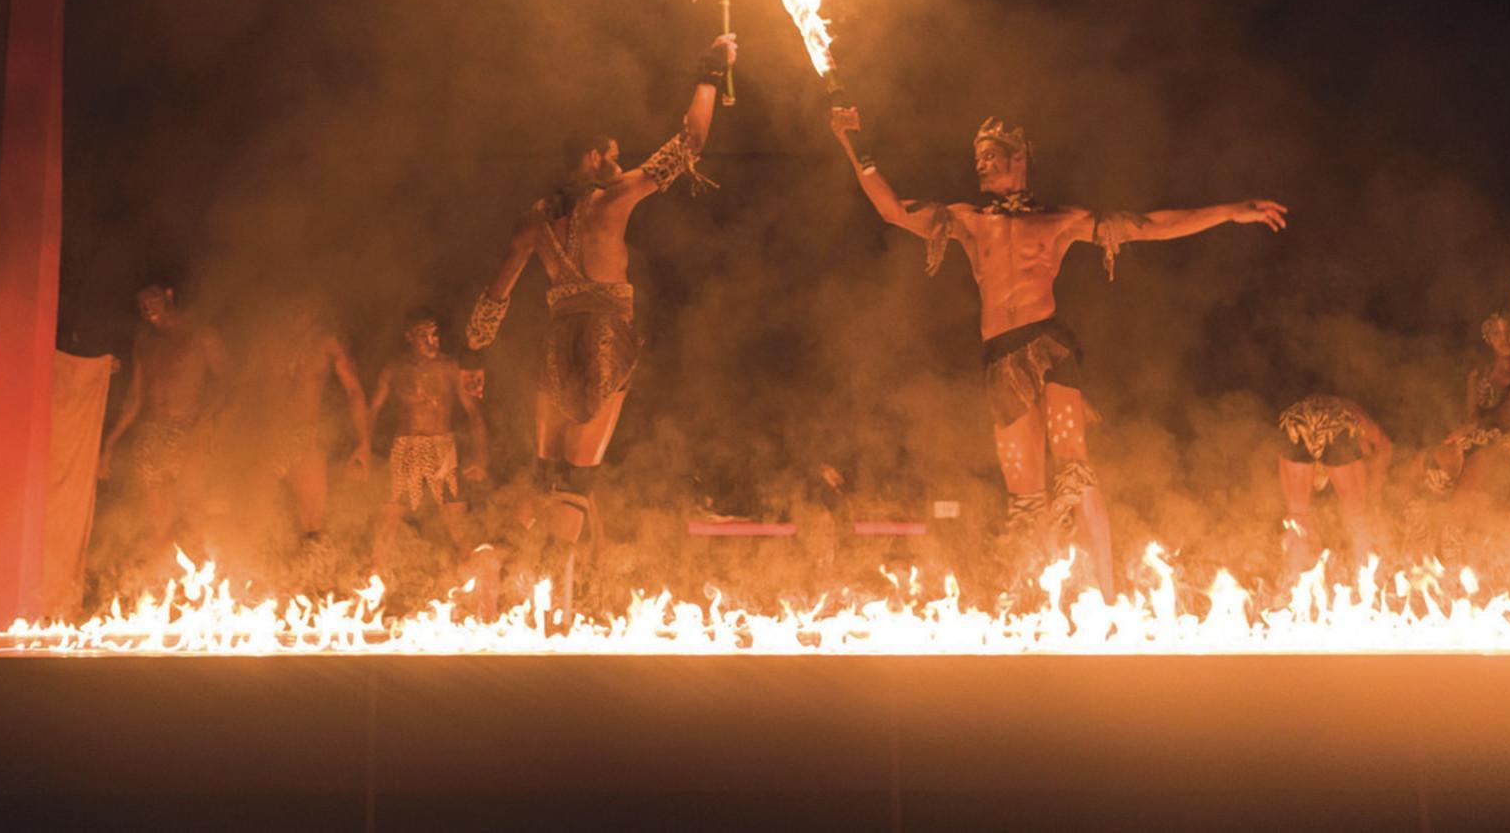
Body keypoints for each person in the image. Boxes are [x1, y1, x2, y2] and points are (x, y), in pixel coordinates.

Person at [829, 108, 1286, 595]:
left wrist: (1228, 211)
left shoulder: (1058, 221)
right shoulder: (968, 221)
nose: (980, 166)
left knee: (1074, 467)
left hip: (1047, 344)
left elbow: (1146, 225)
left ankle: (1109, 594)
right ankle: (1041, 601)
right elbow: (893, 210)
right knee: (1025, 500)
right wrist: (852, 143)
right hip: (1000, 359)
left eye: (989, 157)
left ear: (1018, 159)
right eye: (976, 158)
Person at [461, 33, 737, 605]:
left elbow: (495, 297)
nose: (618, 160)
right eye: (610, 152)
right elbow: (689, 144)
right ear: (592, 157)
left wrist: (473, 356)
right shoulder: (614, 198)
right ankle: (557, 600)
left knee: (546, 477)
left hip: (558, 341)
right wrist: (710, 72)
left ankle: (505, 556)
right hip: (607, 339)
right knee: (579, 480)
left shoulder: (534, 220)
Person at [97, 283, 228, 547]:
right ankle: (163, 574)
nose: (147, 306)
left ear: (168, 295)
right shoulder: (144, 341)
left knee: (192, 507)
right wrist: (109, 443)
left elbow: (227, 384)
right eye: (142, 302)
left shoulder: (201, 334)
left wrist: (207, 421)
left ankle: (201, 568)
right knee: (157, 517)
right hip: (151, 432)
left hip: (187, 430)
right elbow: (135, 397)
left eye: (152, 298)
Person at [364, 311, 490, 574]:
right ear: (409, 338)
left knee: (457, 521)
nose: (432, 341)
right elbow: (372, 409)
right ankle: (372, 582)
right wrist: (363, 448)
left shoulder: (451, 367)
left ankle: (475, 580)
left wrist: (481, 458)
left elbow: (474, 413)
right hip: (405, 447)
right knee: (389, 518)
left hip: (440, 447)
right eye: (423, 335)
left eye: (434, 334)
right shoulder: (395, 368)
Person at [1422, 313, 1510, 562]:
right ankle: (1411, 533)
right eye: (1496, 333)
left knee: (1481, 461)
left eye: (1509, 332)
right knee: (1437, 458)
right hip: (1481, 437)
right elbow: (1471, 418)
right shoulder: (1479, 376)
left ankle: (1454, 543)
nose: (1504, 339)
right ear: (1487, 338)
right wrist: (1461, 437)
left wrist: (1487, 431)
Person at [253, 291, 368, 541]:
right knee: (254, 509)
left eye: (304, 306)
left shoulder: (328, 342)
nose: (298, 313)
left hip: (307, 436)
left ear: (315, 309)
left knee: (313, 515)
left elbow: (354, 391)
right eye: (293, 306)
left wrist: (364, 442)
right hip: (270, 435)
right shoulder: (269, 341)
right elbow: (244, 388)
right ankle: (252, 570)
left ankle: (313, 570)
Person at [1276, 394, 1392, 574]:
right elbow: (1385, 448)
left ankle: (1295, 573)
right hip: (1334, 424)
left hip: (1295, 422)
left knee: (1298, 517)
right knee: (1357, 515)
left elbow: (1283, 461)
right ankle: (1365, 569)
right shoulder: (1354, 417)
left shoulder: (1348, 415)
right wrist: (1373, 497)